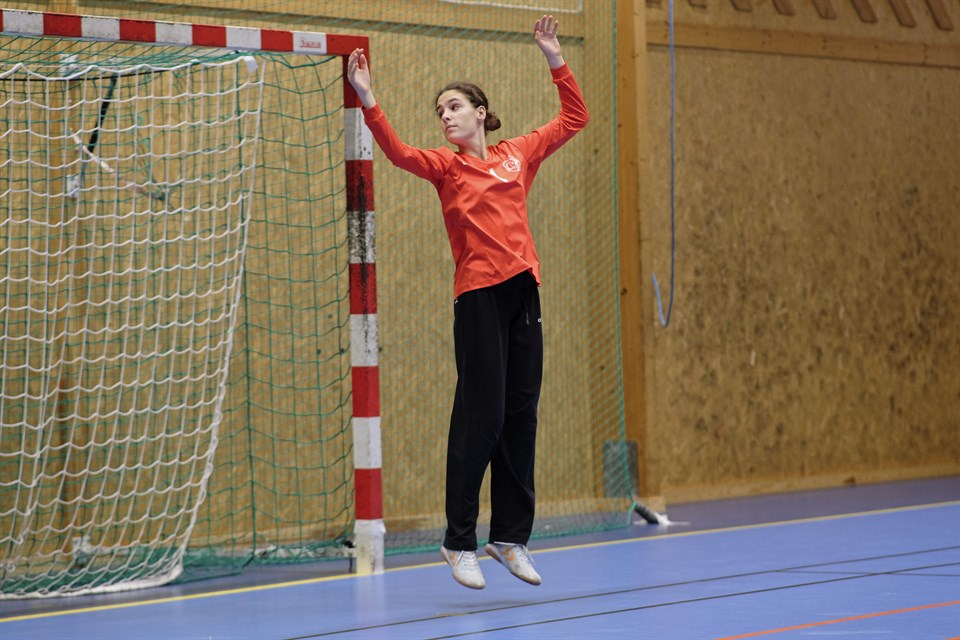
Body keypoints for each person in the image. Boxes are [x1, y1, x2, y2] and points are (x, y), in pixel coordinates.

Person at [346, 15, 588, 590]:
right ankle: (458, 542)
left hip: (524, 293)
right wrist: (368, 98)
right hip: (477, 297)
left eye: (454, 106)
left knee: (521, 415)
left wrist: (554, 57)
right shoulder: (444, 166)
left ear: (481, 112)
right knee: (482, 418)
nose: (446, 116)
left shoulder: (517, 154)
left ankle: (510, 537)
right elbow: (398, 152)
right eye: (440, 111)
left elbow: (574, 118)